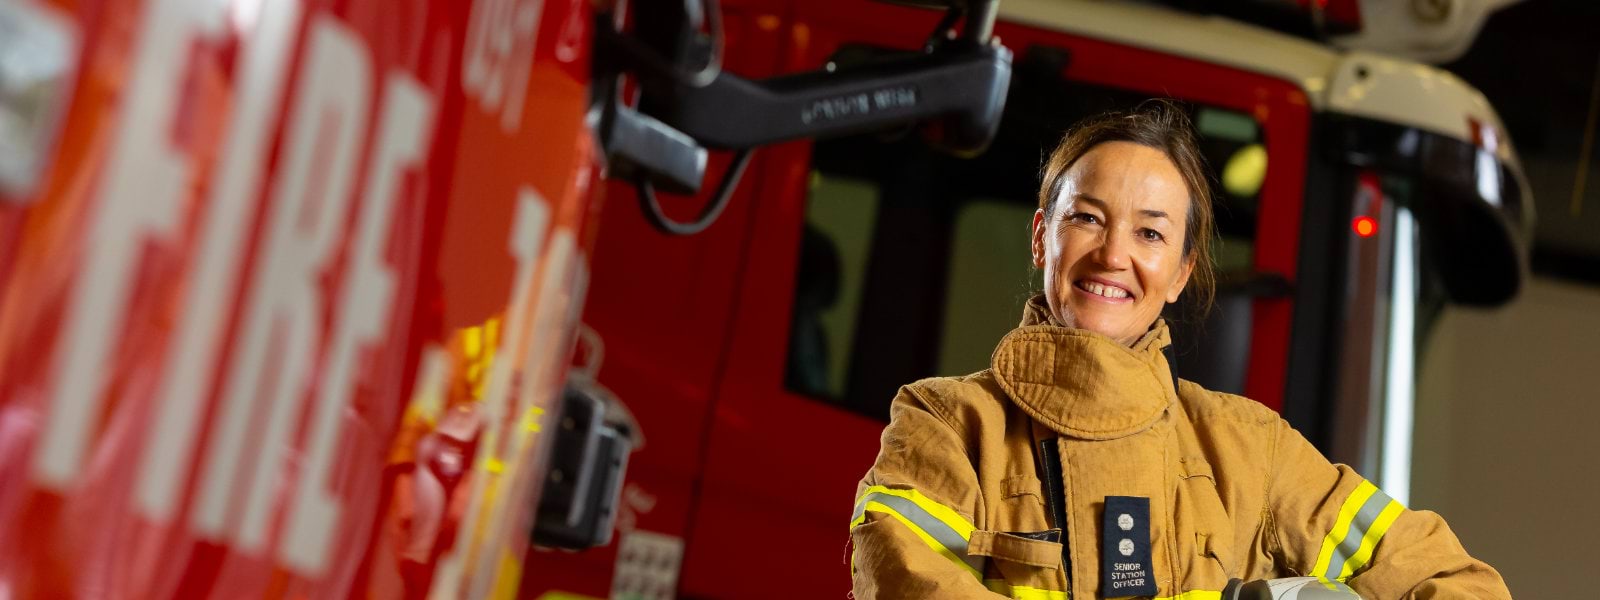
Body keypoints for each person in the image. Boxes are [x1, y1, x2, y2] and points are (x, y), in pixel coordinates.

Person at [846, 101, 1509, 599]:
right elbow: (907, 582)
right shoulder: (945, 425)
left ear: (1182, 272)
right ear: (1042, 238)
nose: (1114, 254)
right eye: (1087, 217)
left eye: (1150, 233)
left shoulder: (1251, 449)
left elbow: (1456, 581)